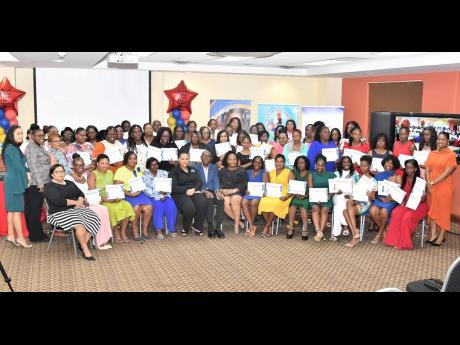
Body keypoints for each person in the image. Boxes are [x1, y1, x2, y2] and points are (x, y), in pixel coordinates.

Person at [45, 164, 101, 261]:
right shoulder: (49, 186)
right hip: (59, 213)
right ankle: (85, 249)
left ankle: (82, 243)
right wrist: (76, 202)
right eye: (57, 172)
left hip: (75, 209)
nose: (60, 174)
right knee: (79, 225)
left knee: (95, 218)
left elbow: (80, 193)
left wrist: (80, 200)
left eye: (62, 171)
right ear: (52, 175)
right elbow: (59, 201)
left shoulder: (69, 182)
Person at [65, 154, 113, 249]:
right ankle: (96, 243)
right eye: (78, 165)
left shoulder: (85, 176)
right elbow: (68, 196)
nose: (81, 167)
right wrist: (81, 201)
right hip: (76, 205)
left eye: (82, 165)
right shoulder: (68, 178)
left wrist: (94, 199)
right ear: (72, 166)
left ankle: (102, 240)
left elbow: (90, 192)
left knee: (104, 209)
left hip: (88, 202)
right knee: (98, 212)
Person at [87, 154, 135, 243]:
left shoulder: (110, 172)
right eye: (102, 163)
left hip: (112, 198)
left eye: (107, 163)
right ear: (97, 163)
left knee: (127, 205)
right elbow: (92, 193)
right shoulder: (92, 175)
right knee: (112, 209)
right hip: (100, 200)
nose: (105, 165)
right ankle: (115, 231)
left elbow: (115, 187)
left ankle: (123, 231)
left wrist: (117, 196)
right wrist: (106, 199)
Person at [383, 159, 429, 250]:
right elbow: (402, 195)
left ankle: (405, 243)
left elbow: (423, 200)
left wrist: (423, 197)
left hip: (419, 206)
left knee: (406, 218)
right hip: (408, 204)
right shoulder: (405, 179)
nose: (408, 170)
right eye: (407, 168)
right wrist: (393, 197)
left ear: (415, 169)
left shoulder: (420, 181)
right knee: (396, 212)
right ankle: (394, 240)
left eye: (411, 168)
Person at [425, 132, 457, 246]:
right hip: (431, 187)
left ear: (448, 141)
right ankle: (434, 234)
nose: (440, 141)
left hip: (444, 188)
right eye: (439, 139)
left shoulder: (451, 155)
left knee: (443, 212)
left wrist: (432, 183)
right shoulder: (432, 153)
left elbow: (446, 173)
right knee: (433, 211)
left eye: (443, 139)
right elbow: (427, 169)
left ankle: (442, 236)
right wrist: (428, 182)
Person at [2, 125, 32, 248]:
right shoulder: (12, 149)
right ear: (11, 135)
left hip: (12, 180)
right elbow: (20, 168)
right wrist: (27, 180)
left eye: (21, 133)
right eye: (18, 133)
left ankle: (10, 235)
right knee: (16, 211)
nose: (21, 135)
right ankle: (20, 238)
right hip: (15, 181)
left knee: (12, 211)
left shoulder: (12, 147)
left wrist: (28, 170)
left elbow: (21, 165)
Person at [114, 152, 153, 240]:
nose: (132, 160)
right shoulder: (120, 171)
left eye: (134, 158)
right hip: (127, 194)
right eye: (130, 158)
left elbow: (143, 180)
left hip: (139, 193)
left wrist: (141, 188)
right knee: (136, 208)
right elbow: (117, 188)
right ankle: (134, 230)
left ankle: (144, 230)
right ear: (126, 159)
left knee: (149, 207)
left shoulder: (138, 168)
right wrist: (130, 194)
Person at [169, 151, 207, 236]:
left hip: (193, 191)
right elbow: (173, 187)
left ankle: (197, 227)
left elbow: (199, 182)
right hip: (179, 193)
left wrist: (194, 189)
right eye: (182, 159)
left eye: (186, 159)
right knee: (190, 208)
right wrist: (186, 190)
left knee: (203, 202)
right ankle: (185, 228)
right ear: (178, 159)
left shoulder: (192, 169)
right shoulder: (173, 171)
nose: (185, 161)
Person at [342, 155, 377, 247]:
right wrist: (349, 194)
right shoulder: (356, 177)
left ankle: (355, 235)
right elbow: (352, 190)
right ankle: (355, 231)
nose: (362, 167)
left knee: (346, 212)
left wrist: (371, 195)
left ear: (369, 166)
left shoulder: (373, 181)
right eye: (361, 165)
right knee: (348, 202)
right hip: (354, 200)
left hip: (364, 203)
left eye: (365, 166)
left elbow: (373, 198)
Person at [24, 126, 50, 243]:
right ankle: (36, 236)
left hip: (42, 181)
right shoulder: (31, 148)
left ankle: (35, 234)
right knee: (35, 210)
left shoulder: (38, 146)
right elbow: (33, 167)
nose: (42, 138)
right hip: (37, 184)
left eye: (43, 136)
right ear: (32, 136)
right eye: (39, 136)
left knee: (35, 210)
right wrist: (40, 184)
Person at [369, 155, 402, 244]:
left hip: (391, 201)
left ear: (394, 165)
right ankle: (384, 231)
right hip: (379, 199)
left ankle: (379, 234)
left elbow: (399, 194)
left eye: (391, 163)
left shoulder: (397, 177)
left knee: (384, 211)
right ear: (384, 163)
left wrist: (391, 199)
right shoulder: (378, 175)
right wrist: (379, 198)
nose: (389, 164)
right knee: (372, 211)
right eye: (387, 162)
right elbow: (374, 191)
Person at [258, 154, 293, 237]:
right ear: (274, 162)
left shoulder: (289, 172)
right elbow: (266, 184)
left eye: (281, 162)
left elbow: (292, 188)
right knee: (263, 201)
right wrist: (265, 192)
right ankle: (269, 225)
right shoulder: (271, 172)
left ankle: (267, 227)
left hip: (284, 195)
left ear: (284, 163)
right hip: (272, 193)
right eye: (277, 161)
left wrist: (287, 196)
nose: (279, 163)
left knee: (275, 203)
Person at [142, 157, 177, 239]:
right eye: (153, 165)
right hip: (153, 196)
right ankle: (159, 230)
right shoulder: (145, 175)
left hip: (165, 195)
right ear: (148, 166)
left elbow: (168, 185)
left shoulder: (164, 173)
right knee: (159, 207)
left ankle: (171, 229)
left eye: (156, 164)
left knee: (171, 207)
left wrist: (164, 193)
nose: (155, 166)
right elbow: (146, 189)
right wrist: (158, 195)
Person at [196, 150, 225, 238]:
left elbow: (216, 180)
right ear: (201, 158)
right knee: (209, 199)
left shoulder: (214, 167)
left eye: (208, 156)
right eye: (204, 156)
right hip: (202, 191)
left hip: (212, 189)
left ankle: (218, 227)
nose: (206, 157)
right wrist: (204, 190)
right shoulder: (196, 168)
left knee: (220, 199)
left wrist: (217, 190)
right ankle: (210, 227)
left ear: (211, 158)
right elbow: (196, 182)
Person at [330, 156, 360, 241]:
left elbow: (358, 187)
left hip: (350, 196)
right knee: (339, 202)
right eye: (344, 162)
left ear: (351, 163)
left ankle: (336, 233)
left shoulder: (355, 174)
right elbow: (333, 187)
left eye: (348, 162)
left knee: (337, 207)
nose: (346, 164)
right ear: (341, 164)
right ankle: (347, 227)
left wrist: (351, 195)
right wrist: (336, 191)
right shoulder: (336, 174)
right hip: (338, 195)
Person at [308, 154, 336, 242]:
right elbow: (311, 189)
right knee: (315, 208)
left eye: (322, 164)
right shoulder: (311, 175)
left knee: (324, 210)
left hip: (327, 198)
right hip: (314, 198)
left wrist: (328, 197)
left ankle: (320, 232)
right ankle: (318, 231)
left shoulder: (331, 175)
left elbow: (332, 189)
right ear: (315, 165)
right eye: (318, 164)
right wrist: (316, 198)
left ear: (325, 165)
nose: (320, 166)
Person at [219, 151, 248, 234]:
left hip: (237, 191)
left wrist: (234, 190)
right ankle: (238, 222)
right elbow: (218, 183)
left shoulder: (242, 170)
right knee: (224, 201)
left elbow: (244, 184)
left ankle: (236, 224)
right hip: (225, 192)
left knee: (234, 200)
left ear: (237, 160)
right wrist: (222, 190)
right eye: (230, 159)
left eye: (234, 159)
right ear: (227, 160)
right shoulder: (222, 171)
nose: (232, 161)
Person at [287, 156, 310, 240]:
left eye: (302, 163)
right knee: (292, 204)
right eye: (299, 163)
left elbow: (311, 188)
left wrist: (305, 195)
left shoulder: (309, 173)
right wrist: (295, 193)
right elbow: (291, 186)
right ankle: (291, 228)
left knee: (303, 205)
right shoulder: (293, 172)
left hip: (306, 195)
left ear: (306, 164)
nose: (300, 164)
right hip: (295, 195)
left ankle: (305, 228)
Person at [242, 156, 265, 237]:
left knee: (253, 202)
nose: (257, 164)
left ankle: (251, 226)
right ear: (252, 163)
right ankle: (252, 225)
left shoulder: (264, 172)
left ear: (262, 164)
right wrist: (245, 190)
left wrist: (263, 192)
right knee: (244, 202)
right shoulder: (248, 172)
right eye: (255, 162)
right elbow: (245, 184)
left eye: (259, 162)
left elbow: (266, 185)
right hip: (249, 193)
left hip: (259, 194)